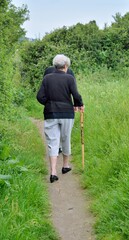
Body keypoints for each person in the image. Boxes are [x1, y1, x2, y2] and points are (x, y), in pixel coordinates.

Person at [37, 54, 84, 183]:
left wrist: (49, 103)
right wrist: (79, 104)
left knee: (53, 142)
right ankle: (65, 166)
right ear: (66, 66)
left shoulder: (47, 78)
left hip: (51, 113)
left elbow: (40, 96)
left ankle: (53, 172)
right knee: (65, 139)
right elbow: (76, 95)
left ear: (54, 65)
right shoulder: (70, 78)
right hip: (67, 114)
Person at [43, 64, 76, 154]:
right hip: (66, 107)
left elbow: (43, 92)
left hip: (51, 107)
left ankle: (56, 148)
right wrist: (76, 104)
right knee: (65, 132)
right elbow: (73, 91)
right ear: (65, 65)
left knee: (54, 130)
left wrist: (47, 103)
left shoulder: (48, 72)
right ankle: (61, 148)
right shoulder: (70, 73)